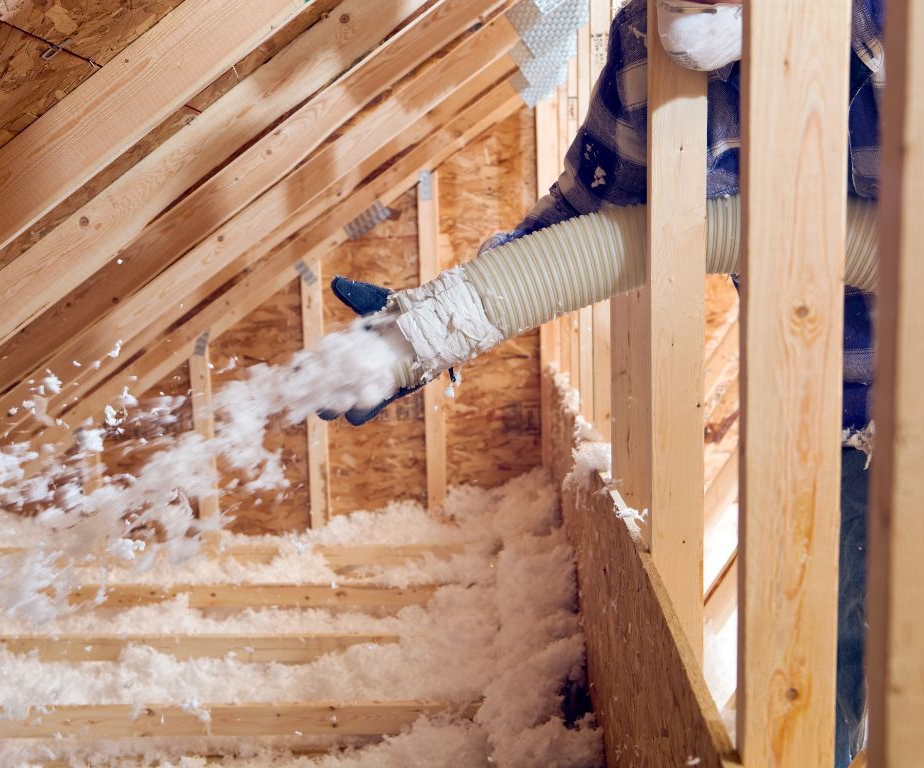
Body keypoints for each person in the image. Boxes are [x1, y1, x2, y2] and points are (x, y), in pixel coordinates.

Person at [323, 2, 883, 764]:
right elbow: (595, 220)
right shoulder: (646, 39)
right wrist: (420, 333)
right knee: (826, 680)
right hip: (839, 411)